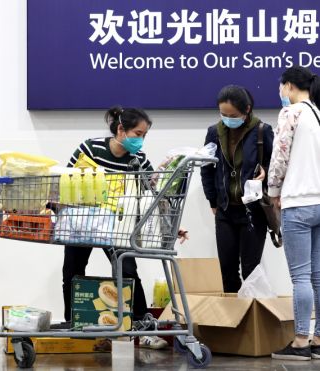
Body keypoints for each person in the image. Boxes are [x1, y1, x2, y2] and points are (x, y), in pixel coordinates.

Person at [60, 106, 188, 350]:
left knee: (128, 270)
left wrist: (173, 225)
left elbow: (154, 191)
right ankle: (74, 325)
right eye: (138, 133)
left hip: (117, 226)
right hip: (84, 223)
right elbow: (69, 179)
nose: (140, 140)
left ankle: (141, 328)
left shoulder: (137, 159)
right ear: (121, 129)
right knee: (73, 272)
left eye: (144, 135)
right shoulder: (91, 148)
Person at [201, 85, 274, 293]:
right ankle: (234, 322)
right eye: (223, 114)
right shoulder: (214, 132)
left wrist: (266, 173)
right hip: (225, 211)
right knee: (228, 271)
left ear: (247, 109)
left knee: (251, 271)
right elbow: (207, 168)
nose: (227, 119)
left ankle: (253, 321)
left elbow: (276, 167)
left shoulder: (262, 131)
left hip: (253, 211)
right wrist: (213, 201)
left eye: (232, 115)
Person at [269, 66, 320, 361]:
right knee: (317, 276)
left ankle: (300, 341)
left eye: (281, 87)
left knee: (300, 277)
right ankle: (317, 338)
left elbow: (280, 157)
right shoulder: (317, 114)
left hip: (298, 202)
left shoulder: (292, 113)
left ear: (288, 86)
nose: (280, 92)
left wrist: (273, 192)